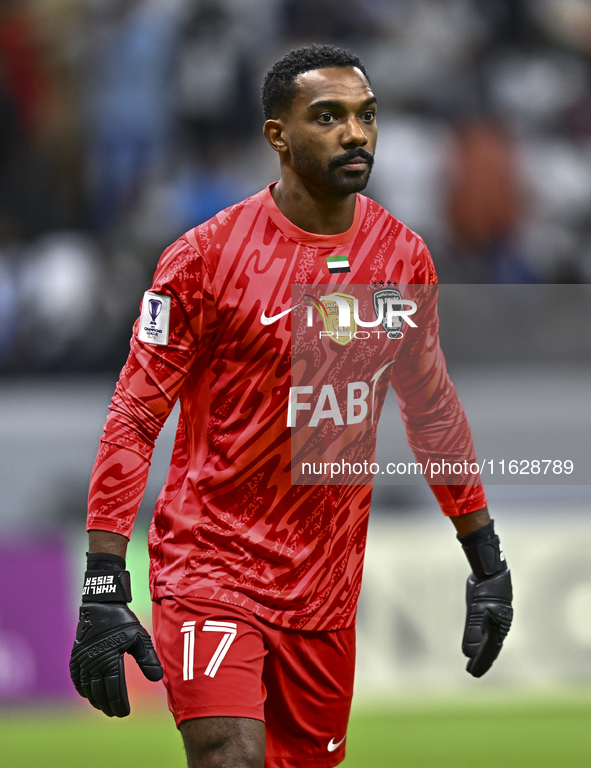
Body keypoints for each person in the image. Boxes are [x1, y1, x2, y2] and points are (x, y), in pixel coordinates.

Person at [70, 44, 513, 768]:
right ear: (277, 134)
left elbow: (430, 409)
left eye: (366, 116)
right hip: (210, 567)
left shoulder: (401, 261)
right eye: (328, 116)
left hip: (324, 592)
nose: (355, 134)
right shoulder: (204, 259)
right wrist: (102, 578)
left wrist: (484, 557)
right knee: (227, 757)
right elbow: (134, 416)